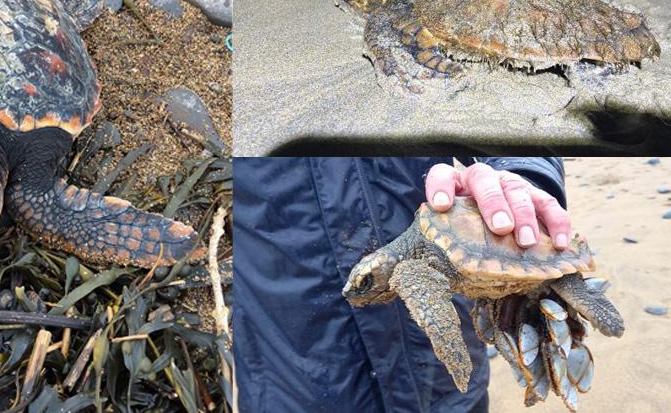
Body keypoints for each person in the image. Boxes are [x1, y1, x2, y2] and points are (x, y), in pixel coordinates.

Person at [233, 157, 570, 412]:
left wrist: (522, 180)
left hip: (441, 387)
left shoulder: (412, 267)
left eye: (366, 282)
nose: (358, 293)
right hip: (292, 382)